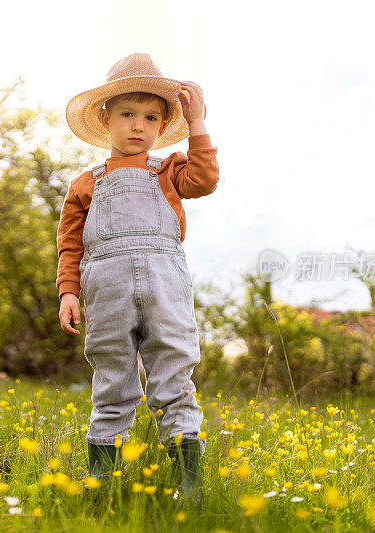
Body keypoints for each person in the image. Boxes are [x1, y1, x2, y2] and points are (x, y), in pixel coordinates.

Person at [56, 52, 220, 497]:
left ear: (162, 126)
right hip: (105, 290)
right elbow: (71, 245)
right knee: (112, 378)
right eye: (128, 114)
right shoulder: (85, 183)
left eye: (150, 118)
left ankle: (189, 483)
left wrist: (198, 120)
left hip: (165, 285)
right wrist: (68, 292)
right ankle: (103, 484)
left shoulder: (169, 170)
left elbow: (205, 180)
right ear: (106, 118)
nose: (137, 126)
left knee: (173, 374)